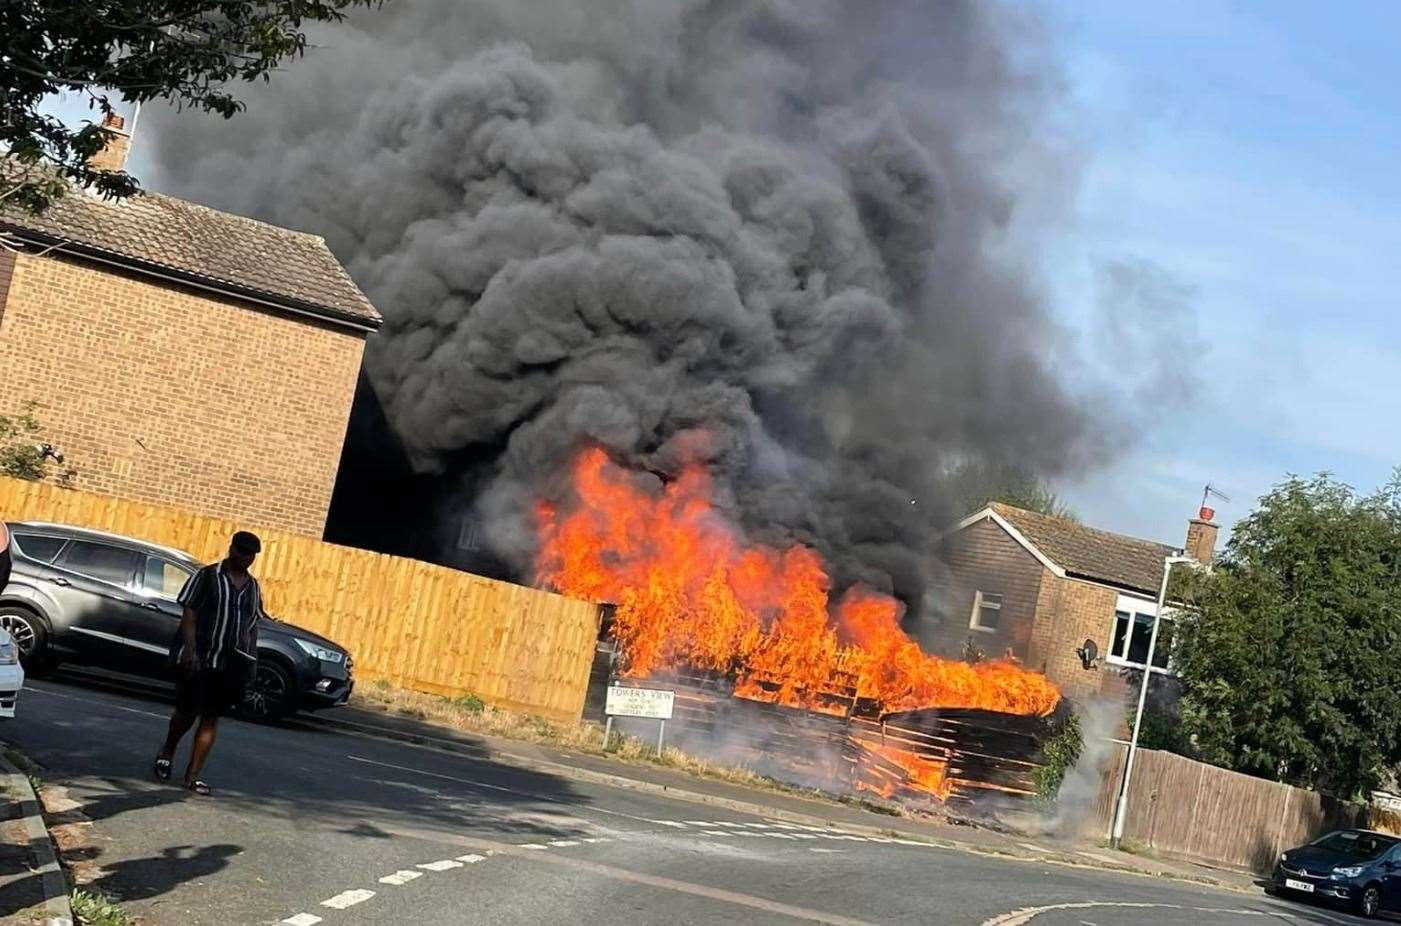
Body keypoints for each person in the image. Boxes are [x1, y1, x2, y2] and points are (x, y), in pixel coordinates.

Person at [154, 530, 266, 795]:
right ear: (231, 549)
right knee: (187, 711)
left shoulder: (253, 587)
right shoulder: (207, 576)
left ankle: (192, 776)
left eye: (251, 555)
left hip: (230, 662)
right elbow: (190, 611)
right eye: (242, 552)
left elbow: (252, 626)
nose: (246, 558)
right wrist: (190, 648)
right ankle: (168, 750)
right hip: (200, 656)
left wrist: (251, 661)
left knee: (211, 717)